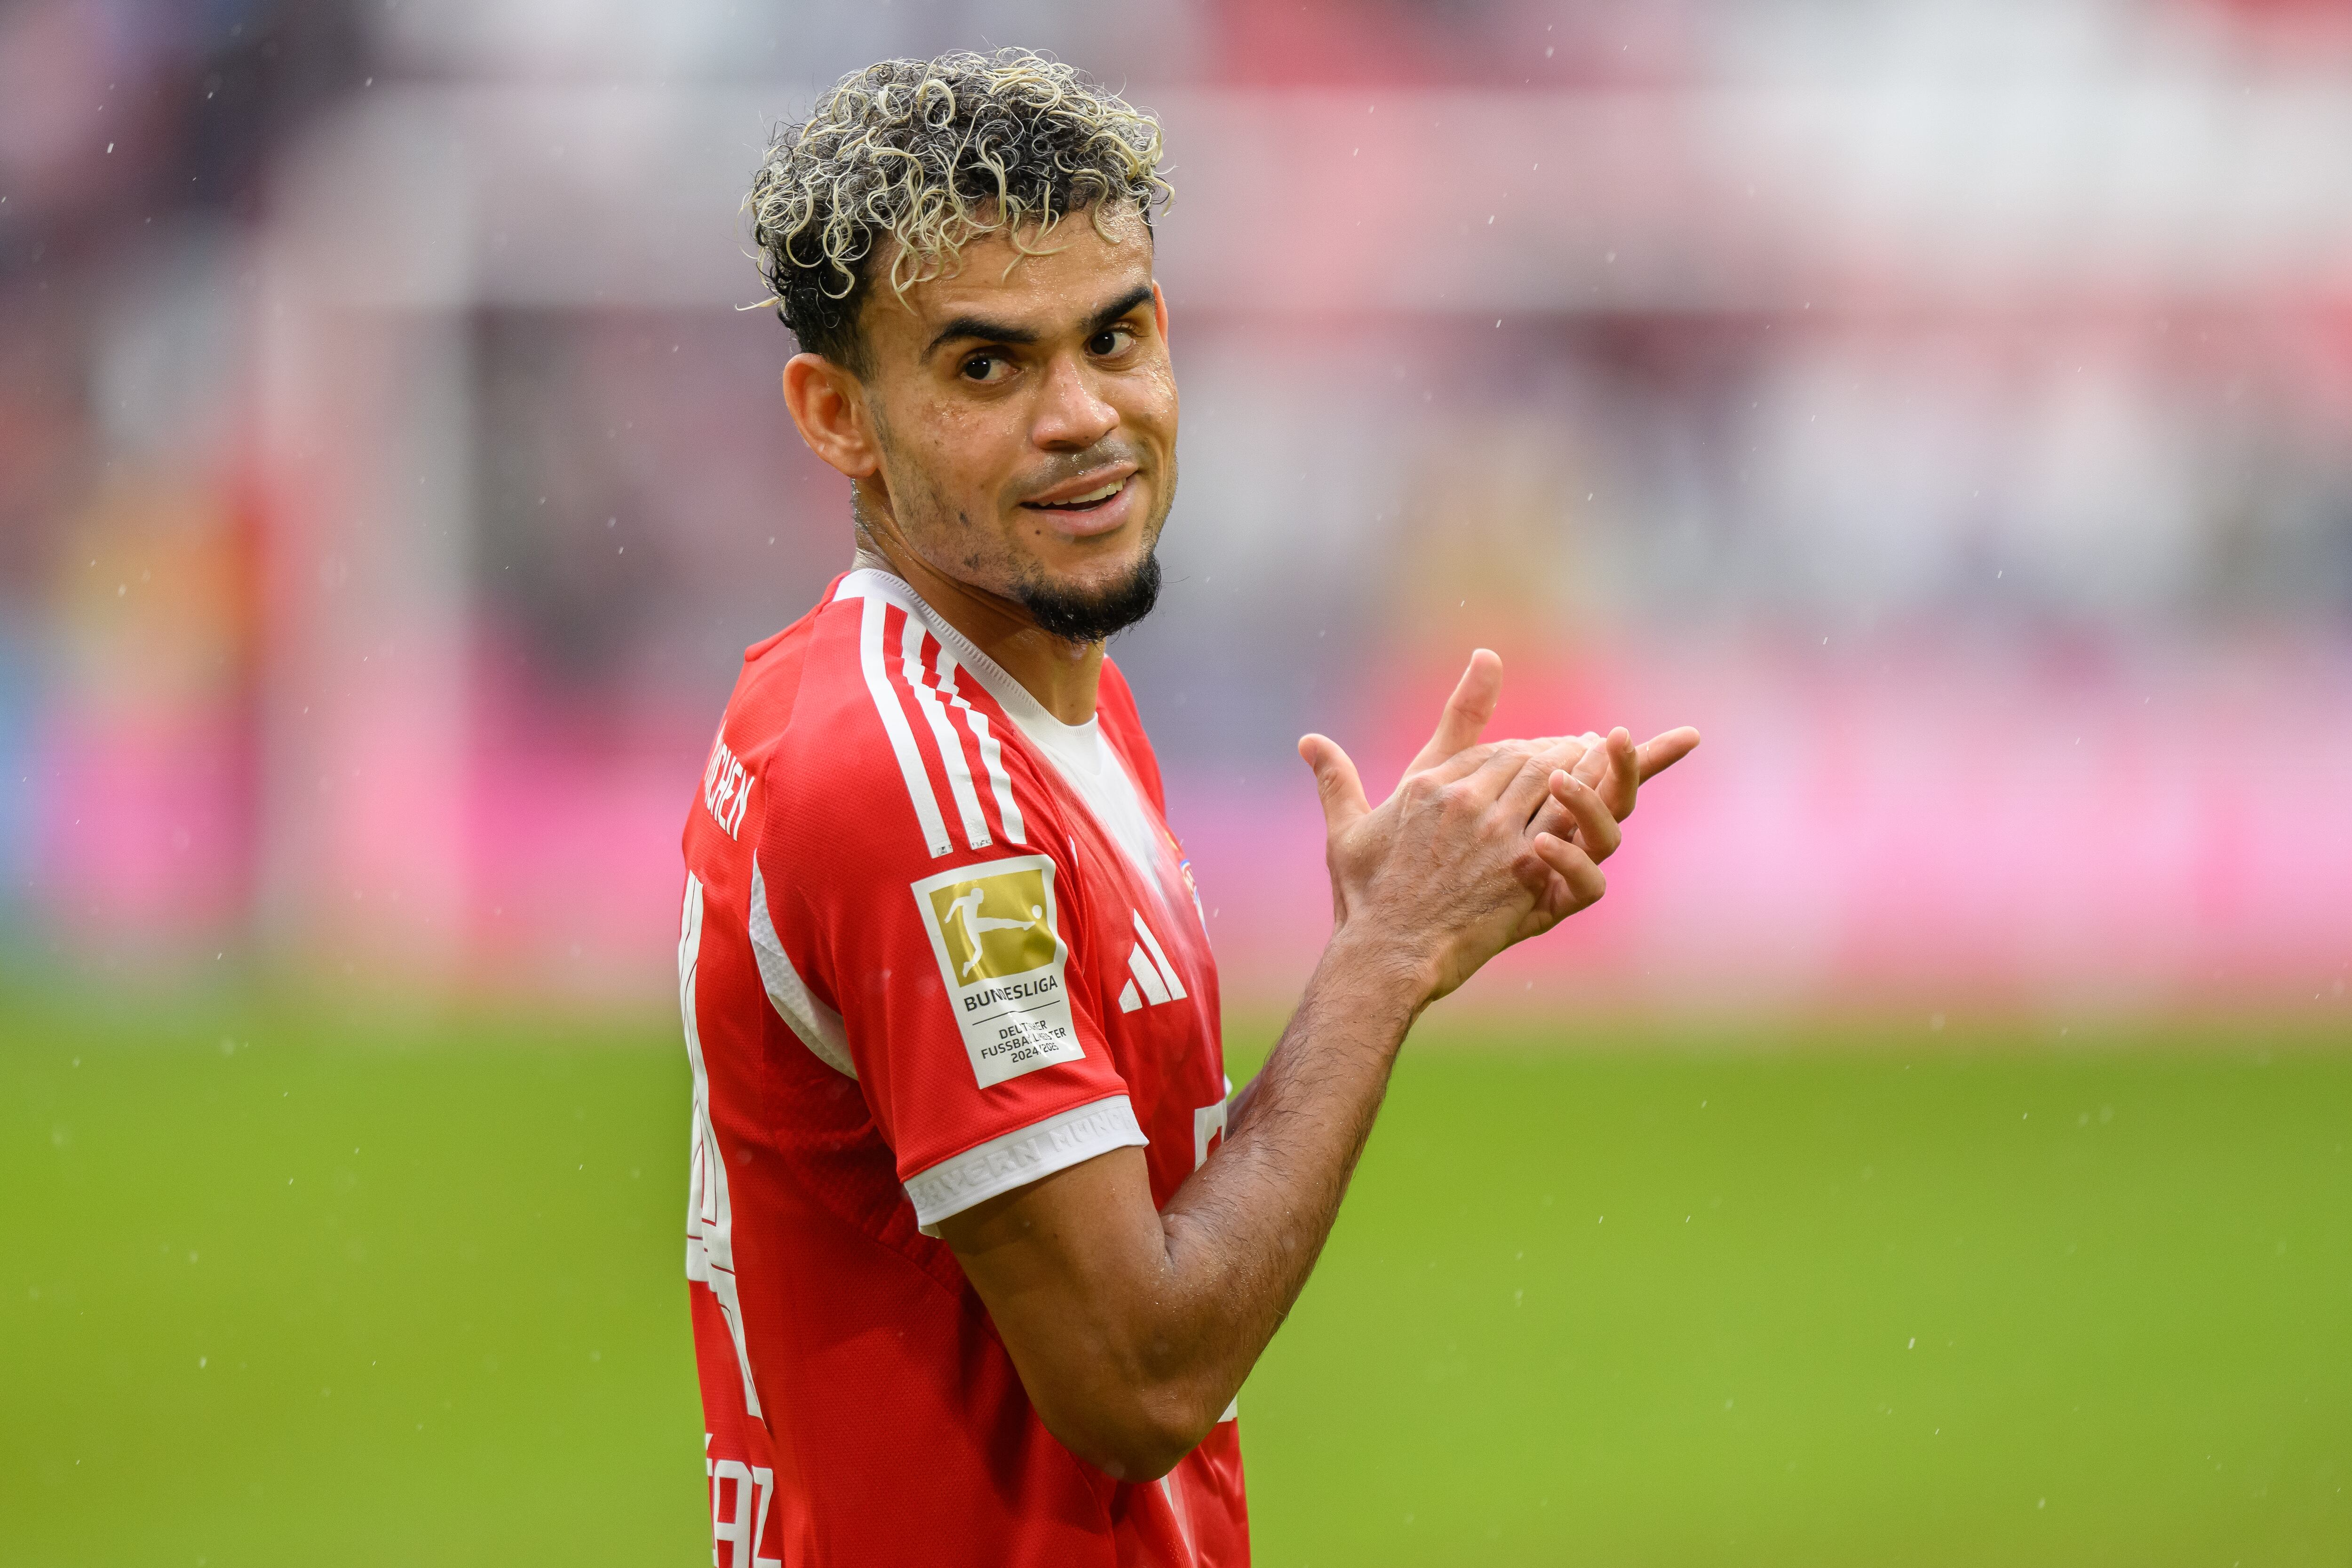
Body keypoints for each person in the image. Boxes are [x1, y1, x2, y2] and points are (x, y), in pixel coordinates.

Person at [675, 48, 1699, 1566]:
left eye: (1117, 336)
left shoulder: (1027, 697)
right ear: (837, 415)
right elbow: (1136, 1378)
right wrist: (1385, 958)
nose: (1084, 416)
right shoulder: (920, 792)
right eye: (986, 367)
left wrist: (1382, 922)